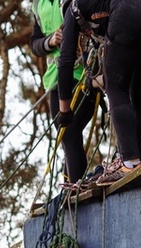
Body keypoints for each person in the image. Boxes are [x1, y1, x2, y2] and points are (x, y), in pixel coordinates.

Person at [58, 0, 141, 185]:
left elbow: (65, 61)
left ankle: (129, 163)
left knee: (115, 87)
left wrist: (65, 111)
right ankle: (137, 162)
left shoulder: (73, 8)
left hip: (129, 9)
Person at [31, 0, 100, 185]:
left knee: (69, 132)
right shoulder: (38, 5)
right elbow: (34, 44)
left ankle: (75, 186)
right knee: (66, 135)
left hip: (85, 74)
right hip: (56, 81)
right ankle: (71, 187)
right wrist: (50, 41)